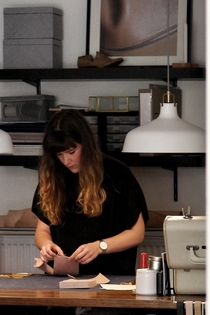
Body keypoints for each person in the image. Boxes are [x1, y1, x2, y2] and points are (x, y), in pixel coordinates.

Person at [32, 109, 148, 276]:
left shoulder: (117, 174)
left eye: (71, 152)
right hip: (62, 279)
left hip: (111, 279)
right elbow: (42, 230)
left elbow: (137, 234)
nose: (66, 161)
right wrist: (46, 245)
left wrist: (100, 246)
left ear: (85, 144)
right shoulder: (52, 176)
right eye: (59, 154)